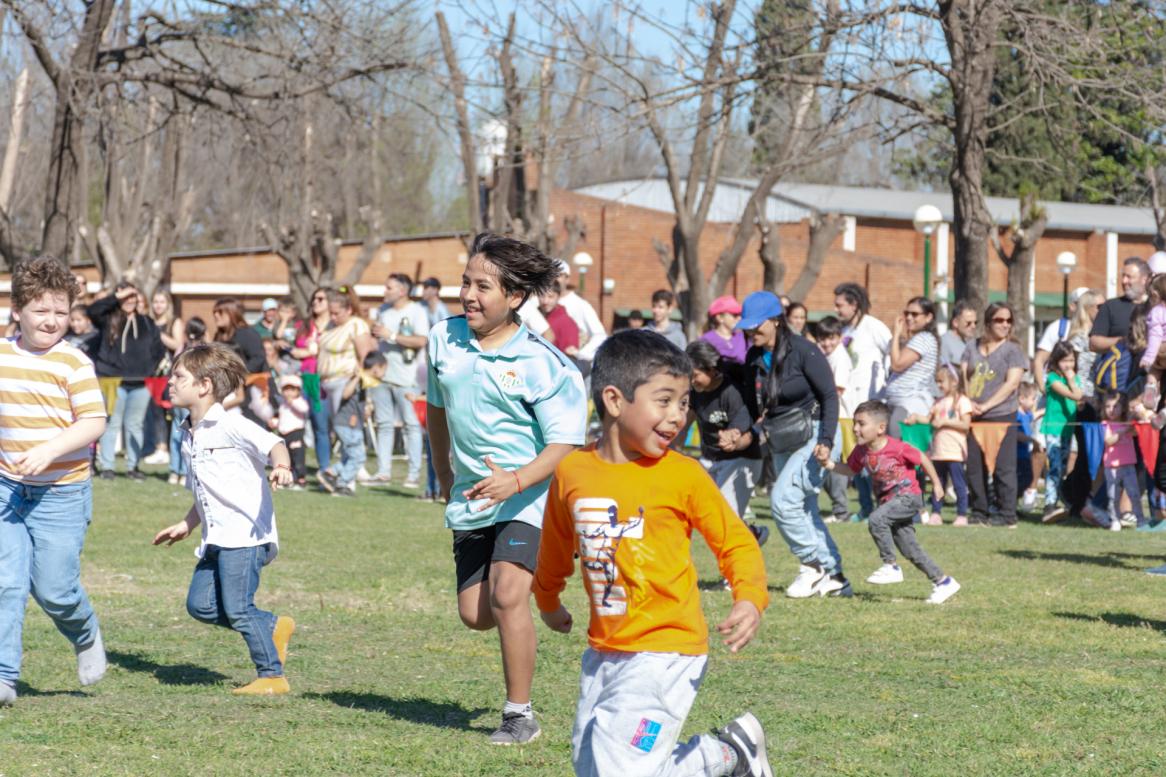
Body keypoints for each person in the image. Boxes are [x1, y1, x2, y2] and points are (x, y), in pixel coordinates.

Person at [533, 329, 773, 777]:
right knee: (592, 768)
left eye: (683, 403)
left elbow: (734, 540)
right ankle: (729, 755)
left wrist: (750, 596)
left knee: (621, 768)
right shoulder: (572, 472)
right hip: (604, 651)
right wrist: (547, 601)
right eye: (663, 401)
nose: (677, 416)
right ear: (614, 399)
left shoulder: (683, 475)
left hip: (667, 651)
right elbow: (554, 546)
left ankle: (725, 757)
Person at [426, 232, 587, 745]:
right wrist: (444, 472)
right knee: (476, 614)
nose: (469, 295)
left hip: (530, 493)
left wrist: (515, 481)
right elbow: (435, 410)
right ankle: (539, 591)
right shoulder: (443, 339)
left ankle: (520, 715)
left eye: (483, 287)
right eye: (465, 283)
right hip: (474, 495)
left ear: (515, 297)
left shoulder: (545, 364)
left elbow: (565, 442)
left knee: (506, 593)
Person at [151, 343, 296, 696]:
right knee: (200, 606)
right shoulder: (188, 433)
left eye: (179, 376)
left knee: (239, 609)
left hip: (245, 537)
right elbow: (206, 491)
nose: (170, 382)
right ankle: (273, 627)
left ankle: (272, 677)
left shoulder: (232, 424)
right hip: (217, 536)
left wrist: (282, 466)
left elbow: (275, 442)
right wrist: (187, 523)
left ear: (204, 385)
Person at [0, 257, 109, 707]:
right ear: (17, 310)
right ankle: (4, 677)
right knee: (5, 583)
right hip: (7, 488)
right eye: (41, 310)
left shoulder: (74, 363)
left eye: (61, 312)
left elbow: (94, 421)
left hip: (61, 492)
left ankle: (85, 632)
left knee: (54, 589)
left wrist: (48, 451)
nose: (52, 320)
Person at [739, 291, 849, 598]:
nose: (750, 332)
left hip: (815, 433)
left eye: (756, 326)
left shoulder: (804, 350)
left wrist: (826, 441)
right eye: (747, 327)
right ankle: (836, 577)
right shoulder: (753, 357)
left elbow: (829, 397)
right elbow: (751, 405)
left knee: (783, 501)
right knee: (803, 507)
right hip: (783, 435)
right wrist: (743, 432)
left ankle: (812, 566)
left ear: (775, 321)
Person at [819, 400, 960, 604]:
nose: (855, 428)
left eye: (861, 424)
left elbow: (922, 458)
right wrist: (830, 464)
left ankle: (890, 565)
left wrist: (937, 485)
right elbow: (851, 470)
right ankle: (943, 582)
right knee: (910, 548)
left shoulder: (898, 447)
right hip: (889, 504)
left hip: (909, 497)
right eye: (855, 424)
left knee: (876, 520)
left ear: (881, 428)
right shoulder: (861, 452)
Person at [686, 340, 768, 545]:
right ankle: (752, 535)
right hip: (713, 460)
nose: (691, 381)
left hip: (742, 460)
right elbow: (685, 420)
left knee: (724, 520)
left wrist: (732, 437)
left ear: (712, 370)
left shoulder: (732, 391)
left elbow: (740, 431)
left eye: (694, 375)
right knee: (709, 516)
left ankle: (735, 573)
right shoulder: (696, 393)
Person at [89, 281, 164, 480]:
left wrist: (151, 369)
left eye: (133, 296)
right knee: (111, 423)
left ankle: (133, 466)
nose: (129, 300)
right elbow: (93, 310)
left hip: (141, 382)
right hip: (113, 381)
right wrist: (117, 297)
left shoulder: (147, 322)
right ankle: (107, 467)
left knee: (135, 425)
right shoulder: (108, 319)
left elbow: (158, 349)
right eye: (125, 297)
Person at [961, 302, 1027, 527]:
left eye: (1008, 321)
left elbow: (1012, 384)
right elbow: (963, 377)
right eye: (999, 320)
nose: (1005, 325)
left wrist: (986, 405)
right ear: (988, 322)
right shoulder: (971, 347)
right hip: (974, 415)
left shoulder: (1013, 350)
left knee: (1003, 467)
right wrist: (968, 401)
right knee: (974, 467)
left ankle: (1007, 513)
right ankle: (979, 511)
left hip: (1002, 414)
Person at [370, 273, 428, 486]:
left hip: (407, 378)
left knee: (411, 425)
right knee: (383, 424)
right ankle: (383, 472)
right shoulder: (383, 311)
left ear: (402, 291)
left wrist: (391, 335)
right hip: (382, 376)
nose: (384, 291)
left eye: (389, 288)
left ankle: (413, 475)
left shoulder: (417, 311)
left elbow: (422, 340)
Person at [316, 286, 375, 486]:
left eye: (337, 313)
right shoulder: (330, 327)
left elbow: (365, 357)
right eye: (331, 313)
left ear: (348, 310)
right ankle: (336, 472)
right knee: (341, 432)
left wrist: (365, 391)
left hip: (347, 384)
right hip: (329, 384)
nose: (333, 317)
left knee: (348, 431)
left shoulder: (356, 325)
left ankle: (345, 476)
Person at [907, 365, 972, 526]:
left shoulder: (963, 401)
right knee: (938, 483)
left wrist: (945, 422)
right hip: (938, 453)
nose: (939, 385)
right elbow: (929, 420)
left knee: (958, 484)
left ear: (954, 382)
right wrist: (916, 417)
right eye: (937, 382)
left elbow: (965, 424)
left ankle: (962, 514)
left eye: (941, 381)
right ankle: (936, 513)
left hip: (955, 452)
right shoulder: (939, 402)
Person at [321, 350, 381, 497]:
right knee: (358, 457)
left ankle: (330, 473)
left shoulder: (366, 383)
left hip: (354, 425)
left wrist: (367, 407)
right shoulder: (357, 379)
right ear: (376, 368)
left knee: (351, 456)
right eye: (383, 371)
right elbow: (346, 394)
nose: (383, 375)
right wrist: (355, 377)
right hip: (347, 424)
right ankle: (342, 484)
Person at [814, 316, 854, 524]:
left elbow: (836, 391)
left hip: (840, 418)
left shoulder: (840, 358)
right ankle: (838, 509)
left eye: (831, 338)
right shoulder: (827, 356)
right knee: (827, 464)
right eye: (823, 339)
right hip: (832, 417)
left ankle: (841, 512)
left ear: (839, 337)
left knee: (835, 465)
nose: (827, 343)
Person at [882, 296, 940, 437]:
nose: (908, 317)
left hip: (910, 403)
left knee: (896, 445)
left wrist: (896, 333)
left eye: (914, 314)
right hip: (897, 402)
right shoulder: (916, 339)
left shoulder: (924, 338)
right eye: (906, 313)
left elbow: (897, 365)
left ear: (928, 317)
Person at [1039, 341, 1083, 524]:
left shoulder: (1075, 379)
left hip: (1068, 428)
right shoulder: (1052, 378)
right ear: (1056, 361)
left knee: (1064, 466)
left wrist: (1073, 380)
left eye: (1071, 360)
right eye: (1064, 360)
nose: (1068, 365)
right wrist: (1072, 381)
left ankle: (1061, 499)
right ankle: (1049, 505)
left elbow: (1080, 398)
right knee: (1054, 466)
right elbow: (1075, 395)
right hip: (1053, 428)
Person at [290, 287, 332, 473]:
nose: (316, 302)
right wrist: (308, 352)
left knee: (320, 426)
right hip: (301, 379)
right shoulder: (304, 325)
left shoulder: (335, 325)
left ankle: (324, 468)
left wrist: (310, 351)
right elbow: (294, 350)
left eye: (321, 299)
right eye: (314, 298)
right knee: (294, 424)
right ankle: (295, 468)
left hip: (320, 381)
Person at [167, 317, 207, 486]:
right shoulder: (203, 352)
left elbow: (173, 369)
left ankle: (174, 472)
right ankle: (184, 472)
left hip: (178, 397)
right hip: (193, 398)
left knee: (176, 433)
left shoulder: (182, 349)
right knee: (190, 435)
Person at [1032, 287, 1091, 391]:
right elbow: (1039, 360)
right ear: (1072, 306)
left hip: (1083, 394)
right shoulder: (1058, 328)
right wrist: (1042, 388)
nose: (1087, 307)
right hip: (1056, 393)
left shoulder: (1097, 329)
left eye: (1090, 304)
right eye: (1083, 303)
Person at [1101, 392, 1144, 532]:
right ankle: (1115, 520)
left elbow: (1136, 433)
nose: (1111, 410)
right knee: (1112, 495)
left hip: (1128, 464)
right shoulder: (1105, 424)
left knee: (1134, 494)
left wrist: (1136, 417)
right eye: (1108, 406)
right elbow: (1108, 441)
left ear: (1123, 408)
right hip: (1111, 466)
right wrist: (1121, 431)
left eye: (1115, 406)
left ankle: (1141, 520)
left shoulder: (1127, 423)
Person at [270, 374, 309, 488]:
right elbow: (282, 418)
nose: (289, 393)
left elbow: (304, 409)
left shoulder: (299, 402)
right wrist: (275, 422)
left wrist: (293, 402)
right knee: (287, 457)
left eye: (292, 390)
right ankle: (288, 479)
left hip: (296, 433)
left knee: (298, 456)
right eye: (286, 389)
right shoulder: (283, 404)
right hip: (284, 434)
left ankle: (300, 479)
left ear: (298, 391)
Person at [212, 298, 265, 374]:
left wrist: (240, 375)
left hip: (252, 383)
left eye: (220, 312)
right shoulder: (218, 336)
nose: (215, 315)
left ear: (232, 313)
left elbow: (258, 359)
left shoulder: (247, 333)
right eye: (214, 312)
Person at [538, 280, 580, 360]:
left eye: (550, 296)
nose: (545, 301)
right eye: (542, 296)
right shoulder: (535, 317)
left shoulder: (566, 323)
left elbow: (569, 358)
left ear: (558, 296)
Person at [701, 295, 747, 364]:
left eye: (740, 314)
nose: (739, 318)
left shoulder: (743, 337)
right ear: (719, 318)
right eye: (735, 315)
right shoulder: (706, 340)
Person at [940, 300, 977, 368]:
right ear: (955, 322)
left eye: (975, 322)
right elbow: (943, 373)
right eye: (968, 323)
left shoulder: (970, 343)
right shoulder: (944, 342)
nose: (973, 326)